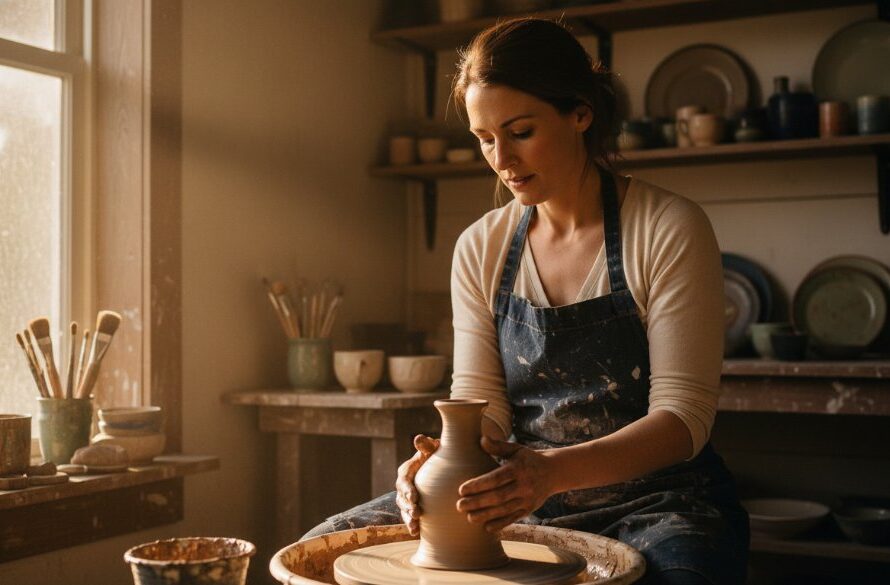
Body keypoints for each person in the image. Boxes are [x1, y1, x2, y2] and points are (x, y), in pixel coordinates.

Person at [302, 18, 749, 584]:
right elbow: (480, 408)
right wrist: (435, 463)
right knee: (320, 552)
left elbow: (683, 419)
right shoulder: (481, 247)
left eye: (520, 131)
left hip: (659, 502)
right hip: (524, 493)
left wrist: (550, 472)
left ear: (580, 113)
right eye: (485, 138)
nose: (501, 158)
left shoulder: (667, 227)